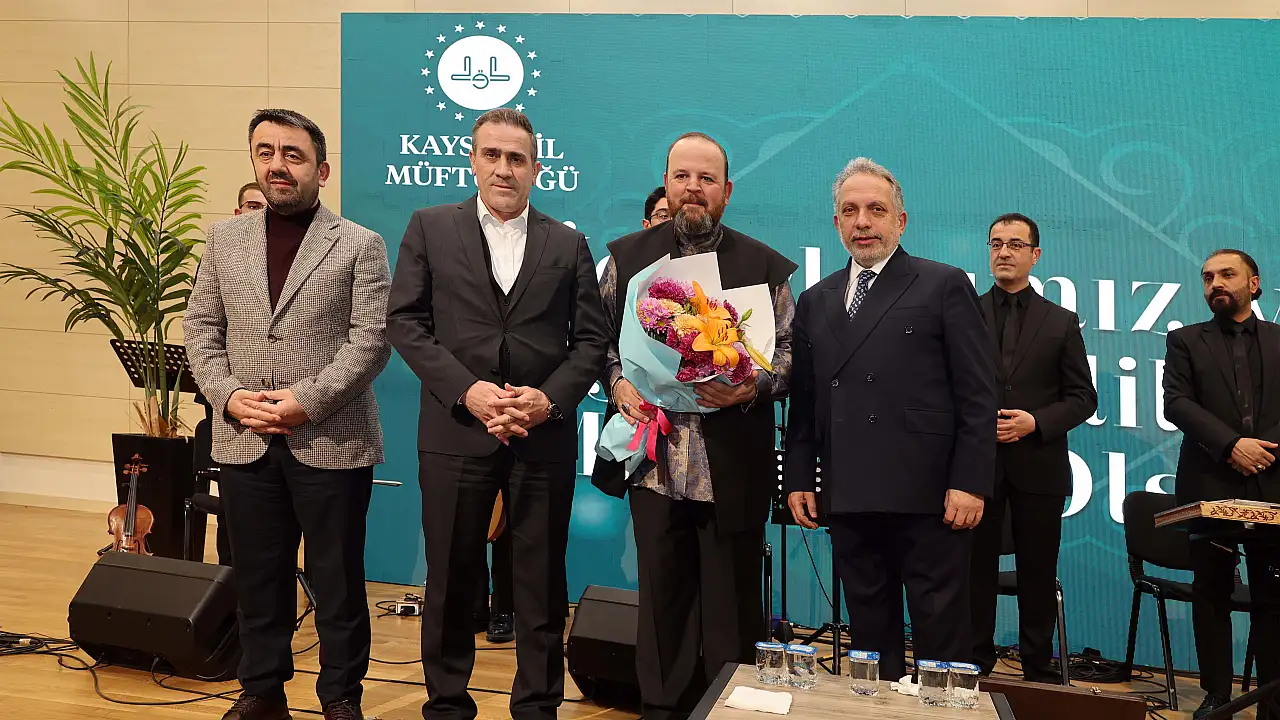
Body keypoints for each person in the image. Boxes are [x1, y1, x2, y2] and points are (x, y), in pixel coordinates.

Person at [386, 107, 609, 720]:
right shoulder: (430, 227)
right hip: (456, 433)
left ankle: (537, 707)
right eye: (492, 155)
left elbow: (592, 340)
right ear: (473, 160)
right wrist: (469, 391)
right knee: (450, 582)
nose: (504, 168)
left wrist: (548, 401)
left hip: (542, 438)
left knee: (541, 585)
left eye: (517, 158)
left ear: (536, 168)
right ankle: (447, 707)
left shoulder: (568, 242)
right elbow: (405, 322)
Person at [184, 109, 390, 720]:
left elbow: (371, 341)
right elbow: (201, 328)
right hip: (243, 437)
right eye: (265, 152)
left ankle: (340, 698)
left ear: (321, 171)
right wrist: (226, 395)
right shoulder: (224, 239)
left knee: (337, 581)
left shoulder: (359, 244)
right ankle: (261, 690)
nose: (277, 164)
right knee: (256, 578)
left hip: (332, 440)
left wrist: (308, 401)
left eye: (292, 155)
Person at [593, 132, 797, 720]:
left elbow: (788, 354)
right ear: (666, 181)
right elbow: (595, 340)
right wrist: (618, 383)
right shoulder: (627, 258)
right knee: (661, 604)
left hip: (732, 466)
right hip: (654, 463)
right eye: (682, 176)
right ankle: (660, 708)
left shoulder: (763, 265)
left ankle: (728, 710)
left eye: (706, 179)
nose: (693, 188)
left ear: (726, 191)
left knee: (732, 608)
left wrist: (749, 386)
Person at [784, 157, 996, 682]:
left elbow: (977, 395)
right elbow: (805, 402)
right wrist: (798, 477)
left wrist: (970, 482)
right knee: (869, 639)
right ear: (836, 223)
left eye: (876, 210)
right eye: (850, 211)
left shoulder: (942, 284)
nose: (862, 222)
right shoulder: (814, 299)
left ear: (900, 221)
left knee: (941, 638)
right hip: (849, 494)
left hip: (931, 497)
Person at [968, 213, 1096, 683]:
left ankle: (1038, 670)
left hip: (1039, 467)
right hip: (975, 466)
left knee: (1037, 573)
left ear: (1035, 255)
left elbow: (1083, 397)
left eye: (1015, 245)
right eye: (996, 243)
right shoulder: (964, 313)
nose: (1004, 252)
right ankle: (973, 664)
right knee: (973, 571)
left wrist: (1035, 422)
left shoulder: (1060, 321)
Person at [1164, 248, 1280, 719]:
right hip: (1209, 481)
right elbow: (1177, 403)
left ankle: (1272, 700)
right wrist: (1232, 445)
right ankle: (1216, 695)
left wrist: (1263, 450)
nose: (1216, 283)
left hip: (1273, 480)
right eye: (1208, 277)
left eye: (1227, 275)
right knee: (1211, 593)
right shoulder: (1185, 340)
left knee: (1274, 599)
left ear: (1253, 283)